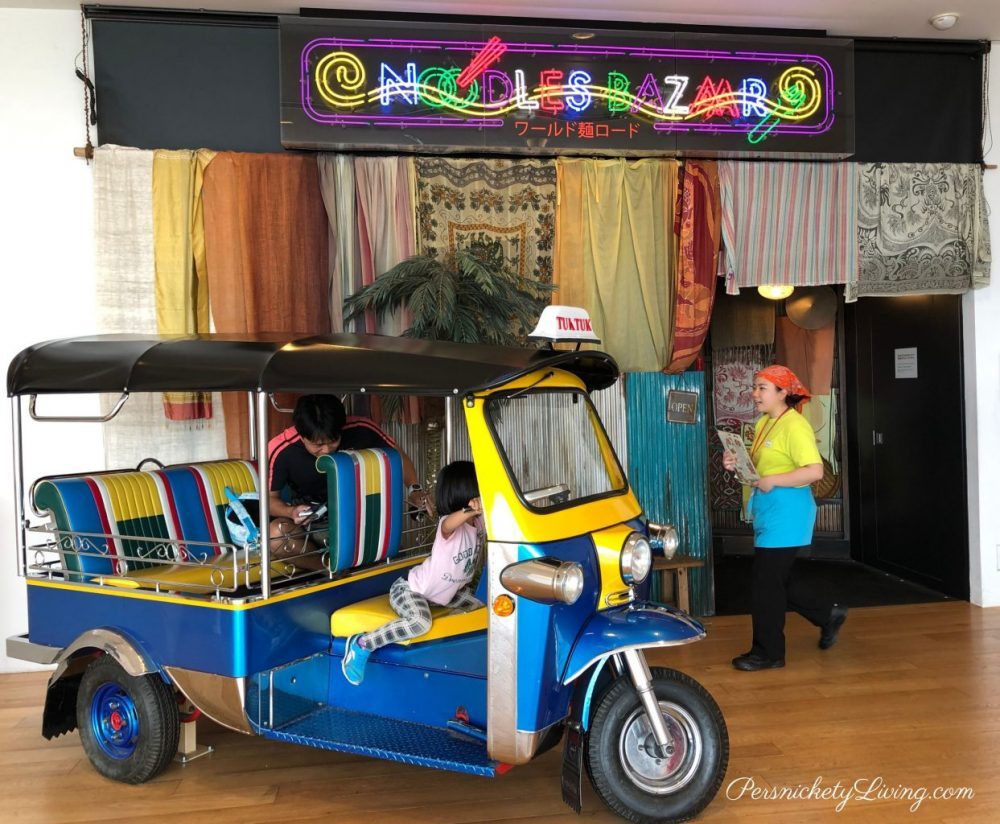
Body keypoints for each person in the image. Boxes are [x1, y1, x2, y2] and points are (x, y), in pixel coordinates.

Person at [722, 365, 847, 671]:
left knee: (765, 583)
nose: (755, 393)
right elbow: (761, 470)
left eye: (762, 388)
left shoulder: (795, 426)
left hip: (788, 513)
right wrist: (735, 464)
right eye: (755, 387)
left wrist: (774, 480)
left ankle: (769, 653)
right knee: (778, 579)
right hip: (769, 510)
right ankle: (827, 615)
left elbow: (814, 471)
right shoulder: (765, 423)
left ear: (783, 393)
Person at [341, 460, 484, 685]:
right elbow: (449, 523)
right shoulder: (449, 526)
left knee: (482, 608)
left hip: (442, 595)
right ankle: (362, 644)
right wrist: (470, 510)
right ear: (467, 495)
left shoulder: (478, 525)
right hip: (410, 590)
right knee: (420, 622)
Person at [267, 394, 424, 571]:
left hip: (360, 517)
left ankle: (382, 565)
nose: (326, 450)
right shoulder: (282, 449)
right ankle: (332, 570)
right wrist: (291, 511)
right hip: (312, 524)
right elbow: (270, 500)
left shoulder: (361, 428)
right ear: (302, 436)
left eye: (333, 441)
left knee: (393, 562)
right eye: (318, 445)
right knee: (275, 535)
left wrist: (414, 489)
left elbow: (398, 455)